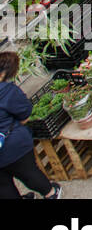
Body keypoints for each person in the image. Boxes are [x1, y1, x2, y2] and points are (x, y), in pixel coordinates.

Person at [0, 51, 62, 199]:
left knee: (2, 184)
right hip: (12, 146)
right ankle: (51, 193)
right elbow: (25, 116)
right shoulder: (7, 91)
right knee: (28, 172)